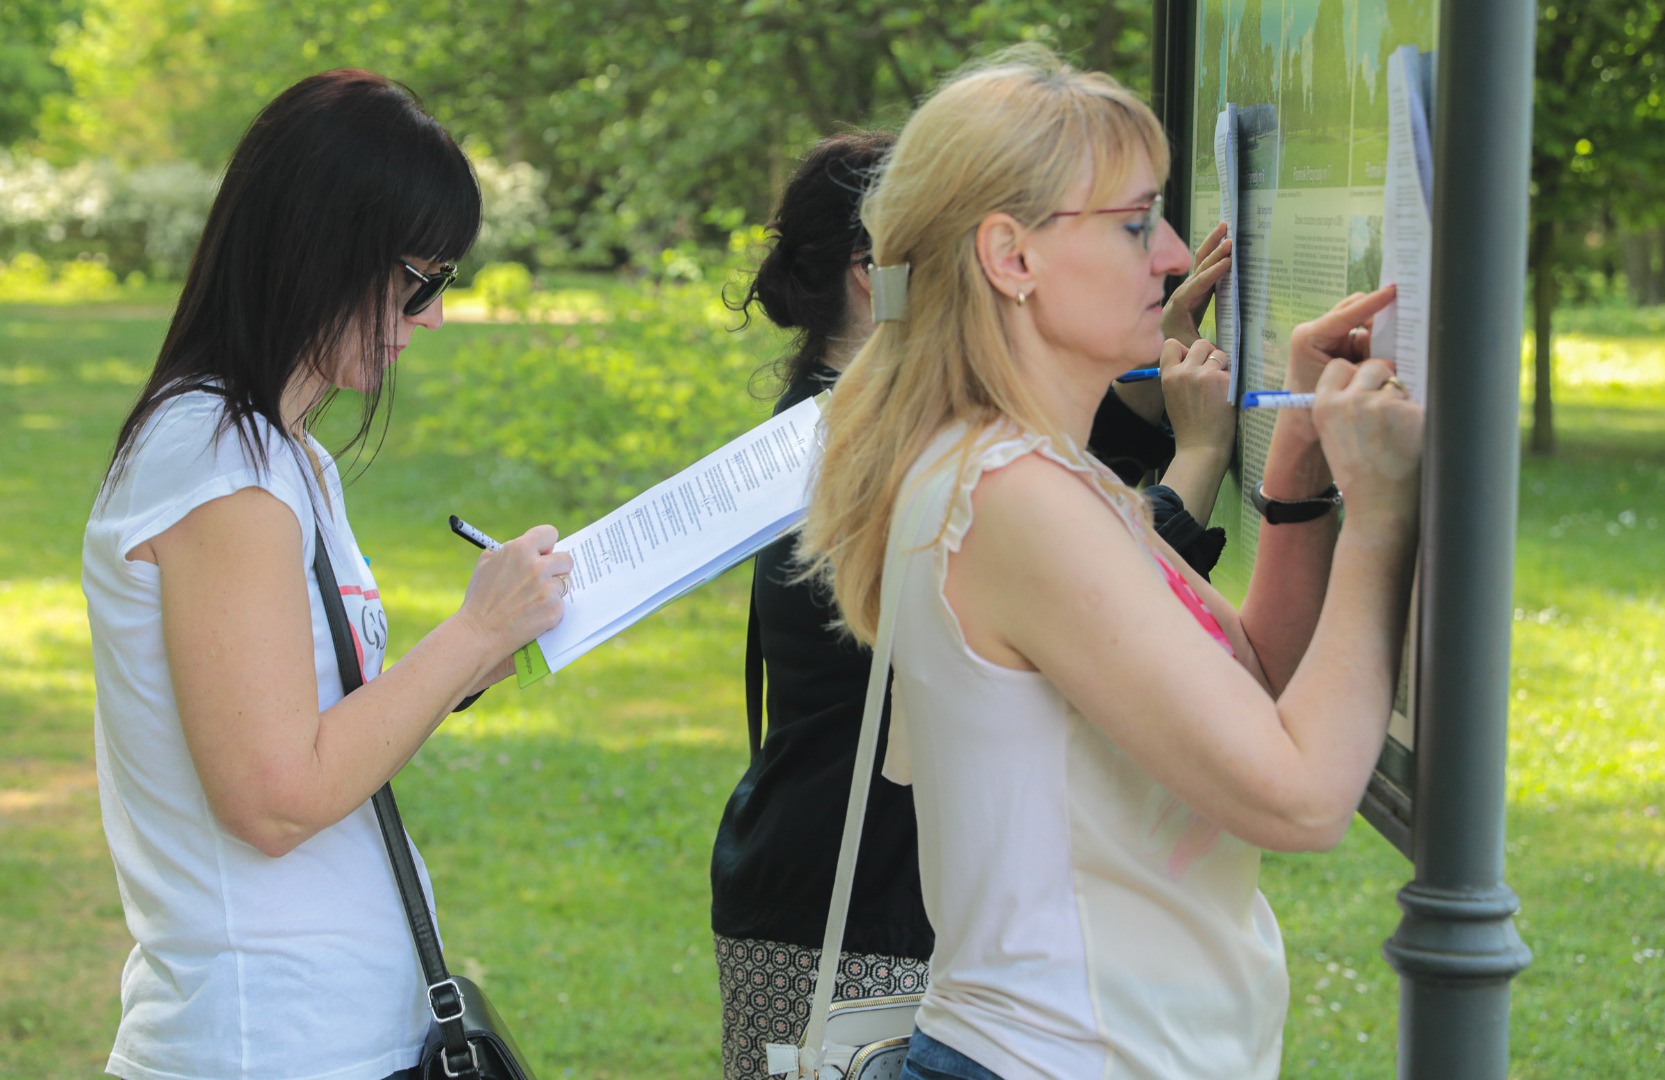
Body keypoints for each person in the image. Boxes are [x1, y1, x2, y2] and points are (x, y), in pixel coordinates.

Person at [798, 49, 1422, 1080]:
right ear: (1012, 256)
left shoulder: (1031, 471)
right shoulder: (1010, 497)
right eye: (1135, 222)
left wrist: (1305, 470)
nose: (1174, 253)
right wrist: (1385, 517)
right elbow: (1301, 797)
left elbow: (1248, 693)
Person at [709, 129, 1238, 1079]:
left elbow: (1069, 476)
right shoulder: (877, 449)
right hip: (860, 892)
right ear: (880, 276)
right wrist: (1197, 454)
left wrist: (1154, 378)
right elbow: (1090, 579)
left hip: (821, 867)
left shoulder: (839, 415)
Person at [82, 70, 572, 1080]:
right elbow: (274, 796)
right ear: (322, 249)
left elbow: (326, 721)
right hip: (266, 1041)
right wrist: (471, 633)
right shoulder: (219, 464)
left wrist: (496, 647)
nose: (432, 315)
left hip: (328, 1030)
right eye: (420, 277)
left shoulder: (279, 452)